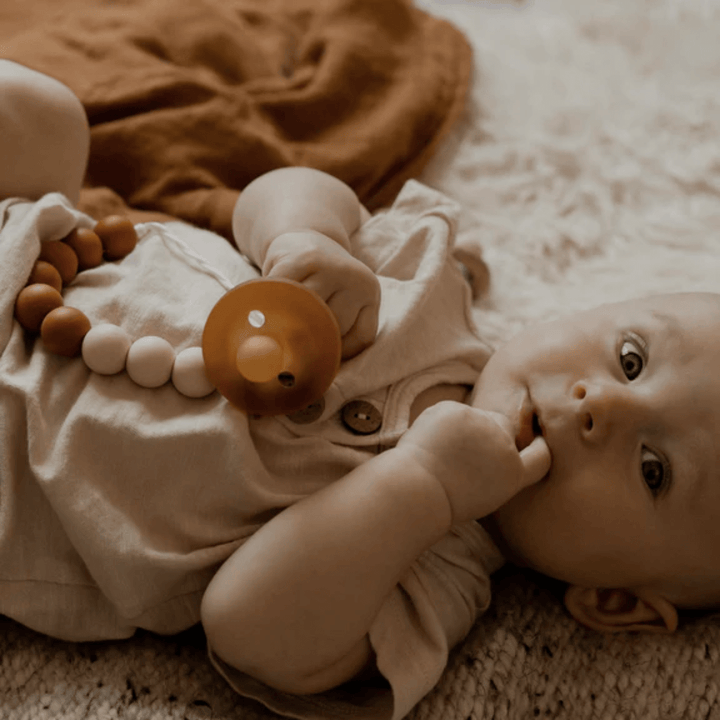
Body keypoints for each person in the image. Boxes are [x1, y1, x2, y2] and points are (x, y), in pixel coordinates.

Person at [2, 59, 720, 720]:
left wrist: (424, 484)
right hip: (38, 253)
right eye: (631, 359)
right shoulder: (430, 289)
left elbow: (250, 627)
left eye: (653, 470)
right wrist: (309, 238)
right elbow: (280, 188)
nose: (604, 407)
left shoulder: (432, 577)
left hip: (16, 467)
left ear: (615, 600)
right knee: (45, 116)